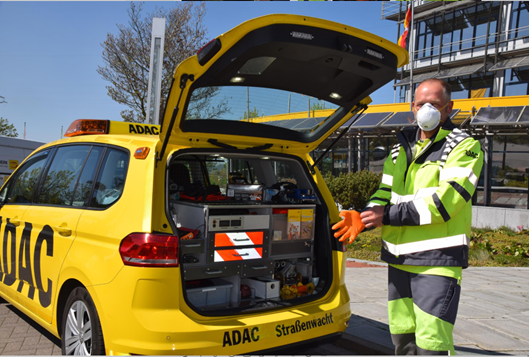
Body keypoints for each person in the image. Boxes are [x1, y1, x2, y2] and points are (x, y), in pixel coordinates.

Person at [333, 78, 484, 355]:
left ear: (448, 108)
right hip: (399, 260)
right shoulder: (399, 149)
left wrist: (385, 215)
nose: (427, 109)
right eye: (421, 103)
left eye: (435, 104)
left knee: (431, 344)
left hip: (436, 262)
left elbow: (443, 204)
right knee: (403, 340)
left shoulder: (464, 147)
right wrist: (364, 218)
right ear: (411, 107)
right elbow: (385, 193)